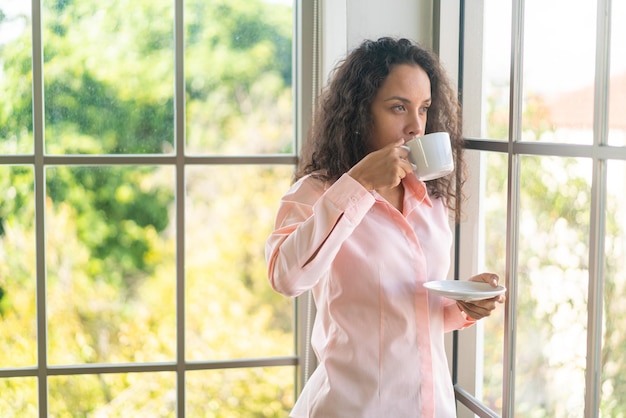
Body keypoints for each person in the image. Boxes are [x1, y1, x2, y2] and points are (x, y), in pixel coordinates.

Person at [265, 37, 505, 418]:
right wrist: (358, 184)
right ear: (360, 112)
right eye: (398, 108)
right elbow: (286, 278)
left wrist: (463, 305)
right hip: (350, 408)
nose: (416, 126)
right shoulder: (316, 193)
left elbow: (407, 316)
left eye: (424, 109)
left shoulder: (430, 200)